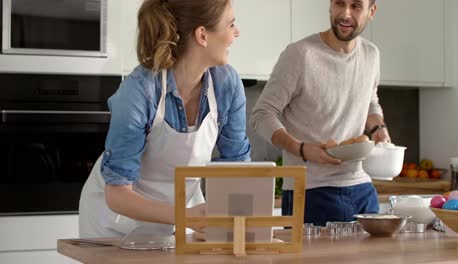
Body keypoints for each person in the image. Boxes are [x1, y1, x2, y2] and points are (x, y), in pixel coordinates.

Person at [79, 0, 250, 238]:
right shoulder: (140, 91)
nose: (236, 33)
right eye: (231, 24)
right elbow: (117, 194)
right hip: (116, 224)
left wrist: (233, 224)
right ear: (202, 35)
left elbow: (237, 167)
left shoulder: (226, 84)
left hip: (182, 219)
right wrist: (186, 216)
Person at [250, 0, 391, 227]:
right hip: (309, 190)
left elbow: (370, 101)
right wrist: (302, 149)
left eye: (356, 6)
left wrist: (377, 128)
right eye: (339, 3)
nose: (345, 14)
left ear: (371, 12)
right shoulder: (300, 54)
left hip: (361, 188)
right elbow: (262, 115)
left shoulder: (371, 55)